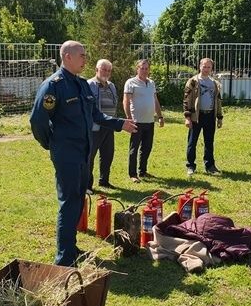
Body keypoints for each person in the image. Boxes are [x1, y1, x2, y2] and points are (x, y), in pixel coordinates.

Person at [30, 41, 136, 267]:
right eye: (82, 55)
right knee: (68, 203)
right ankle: (64, 258)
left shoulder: (82, 85)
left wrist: (120, 123)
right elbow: (37, 120)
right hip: (66, 154)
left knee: (78, 201)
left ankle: (71, 247)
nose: (85, 59)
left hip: (83, 152)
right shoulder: (53, 86)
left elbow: (96, 115)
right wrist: (52, 144)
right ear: (67, 56)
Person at [123, 59, 164, 183]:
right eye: (142, 68)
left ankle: (143, 171)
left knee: (147, 147)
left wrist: (160, 116)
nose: (145, 70)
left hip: (149, 121)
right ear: (137, 69)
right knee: (134, 148)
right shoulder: (131, 82)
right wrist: (129, 118)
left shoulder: (151, 83)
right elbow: (126, 101)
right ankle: (133, 174)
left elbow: (155, 100)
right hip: (137, 121)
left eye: (147, 68)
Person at [183, 58, 224, 176]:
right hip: (197, 116)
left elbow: (218, 101)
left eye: (209, 67)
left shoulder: (214, 83)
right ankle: (190, 166)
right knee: (192, 142)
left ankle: (210, 166)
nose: (206, 69)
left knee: (209, 142)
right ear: (200, 66)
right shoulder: (193, 81)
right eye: (204, 66)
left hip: (210, 115)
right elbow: (186, 100)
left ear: (212, 68)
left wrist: (219, 117)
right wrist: (187, 117)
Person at [87, 59, 119, 191]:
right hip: (95, 127)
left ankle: (104, 180)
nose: (106, 72)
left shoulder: (111, 85)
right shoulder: (89, 85)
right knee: (90, 157)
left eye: (108, 70)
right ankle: (87, 185)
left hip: (109, 126)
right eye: (103, 69)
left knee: (107, 155)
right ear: (96, 70)